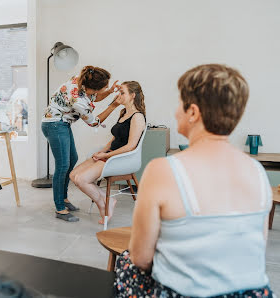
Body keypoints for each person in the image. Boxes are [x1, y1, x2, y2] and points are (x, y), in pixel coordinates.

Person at [114, 64, 273, 297]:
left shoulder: (163, 170)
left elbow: (141, 257)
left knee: (127, 261)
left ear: (193, 113)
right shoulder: (257, 171)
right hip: (255, 292)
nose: (176, 110)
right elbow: (257, 246)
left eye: (180, 103)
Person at [42, 65, 120, 222]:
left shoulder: (80, 81)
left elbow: (94, 96)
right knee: (63, 166)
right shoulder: (78, 100)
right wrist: (113, 105)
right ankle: (60, 208)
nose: (104, 89)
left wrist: (110, 91)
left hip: (61, 123)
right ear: (94, 87)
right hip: (55, 125)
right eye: (103, 87)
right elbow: (94, 122)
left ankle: (63, 199)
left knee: (72, 159)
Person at [70, 81, 146, 225]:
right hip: (110, 154)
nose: (119, 95)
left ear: (132, 95)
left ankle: (103, 204)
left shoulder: (137, 117)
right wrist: (103, 151)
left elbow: (130, 146)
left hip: (120, 158)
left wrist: (105, 156)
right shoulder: (124, 113)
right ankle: (107, 199)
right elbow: (114, 139)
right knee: (73, 175)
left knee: (81, 179)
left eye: (122, 92)